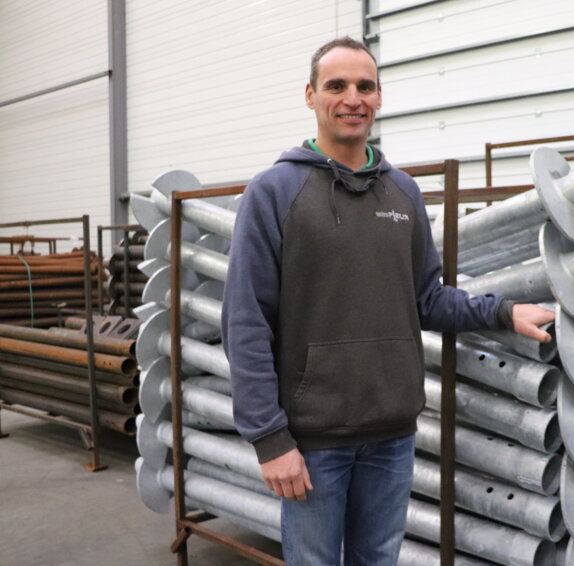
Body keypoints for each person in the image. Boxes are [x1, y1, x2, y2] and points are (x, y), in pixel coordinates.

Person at [222, 36, 554, 566]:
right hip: (311, 441)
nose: (353, 99)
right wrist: (269, 438)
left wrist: (504, 311)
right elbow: (246, 322)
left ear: (379, 97)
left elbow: (427, 299)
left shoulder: (403, 192)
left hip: (392, 436)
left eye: (365, 86)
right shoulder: (274, 192)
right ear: (310, 95)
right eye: (337, 86)